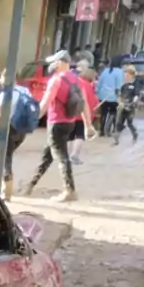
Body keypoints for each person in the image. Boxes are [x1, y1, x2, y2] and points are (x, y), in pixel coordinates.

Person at [24, 51, 93, 202]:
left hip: (56, 123)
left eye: (54, 62)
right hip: (69, 123)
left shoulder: (56, 80)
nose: (52, 65)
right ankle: (29, 186)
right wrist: (88, 125)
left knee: (61, 157)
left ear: (61, 63)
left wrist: (31, 120)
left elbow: (44, 104)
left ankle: (70, 190)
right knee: (47, 156)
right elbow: (84, 104)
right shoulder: (77, 80)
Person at [0, 69, 34, 199]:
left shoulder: (5, 94)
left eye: (1, 77)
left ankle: (7, 191)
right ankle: (6, 188)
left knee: (5, 158)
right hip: (23, 129)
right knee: (7, 155)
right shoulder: (25, 91)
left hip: (10, 128)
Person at [68, 67, 100, 165]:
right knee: (80, 136)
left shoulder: (74, 82)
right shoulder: (88, 86)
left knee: (69, 136)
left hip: (70, 113)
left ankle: (65, 155)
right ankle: (74, 154)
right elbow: (91, 101)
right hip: (82, 114)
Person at [96, 59, 124, 137]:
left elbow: (99, 83)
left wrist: (97, 92)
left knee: (103, 113)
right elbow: (119, 85)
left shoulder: (105, 71)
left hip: (102, 95)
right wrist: (120, 95)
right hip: (113, 96)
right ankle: (108, 129)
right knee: (113, 112)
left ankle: (101, 130)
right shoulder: (120, 72)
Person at [115, 64, 140, 144]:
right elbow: (120, 95)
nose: (126, 77)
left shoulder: (136, 84)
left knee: (129, 122)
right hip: (123, 106)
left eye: (127, 75)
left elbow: (137, 95)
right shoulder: (123, 85)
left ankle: (135, 134)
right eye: (125, 75)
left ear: (132, 75)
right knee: (119, 122)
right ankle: (116, 139)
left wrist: (134, 101)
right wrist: (119, 101)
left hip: (131, 107)